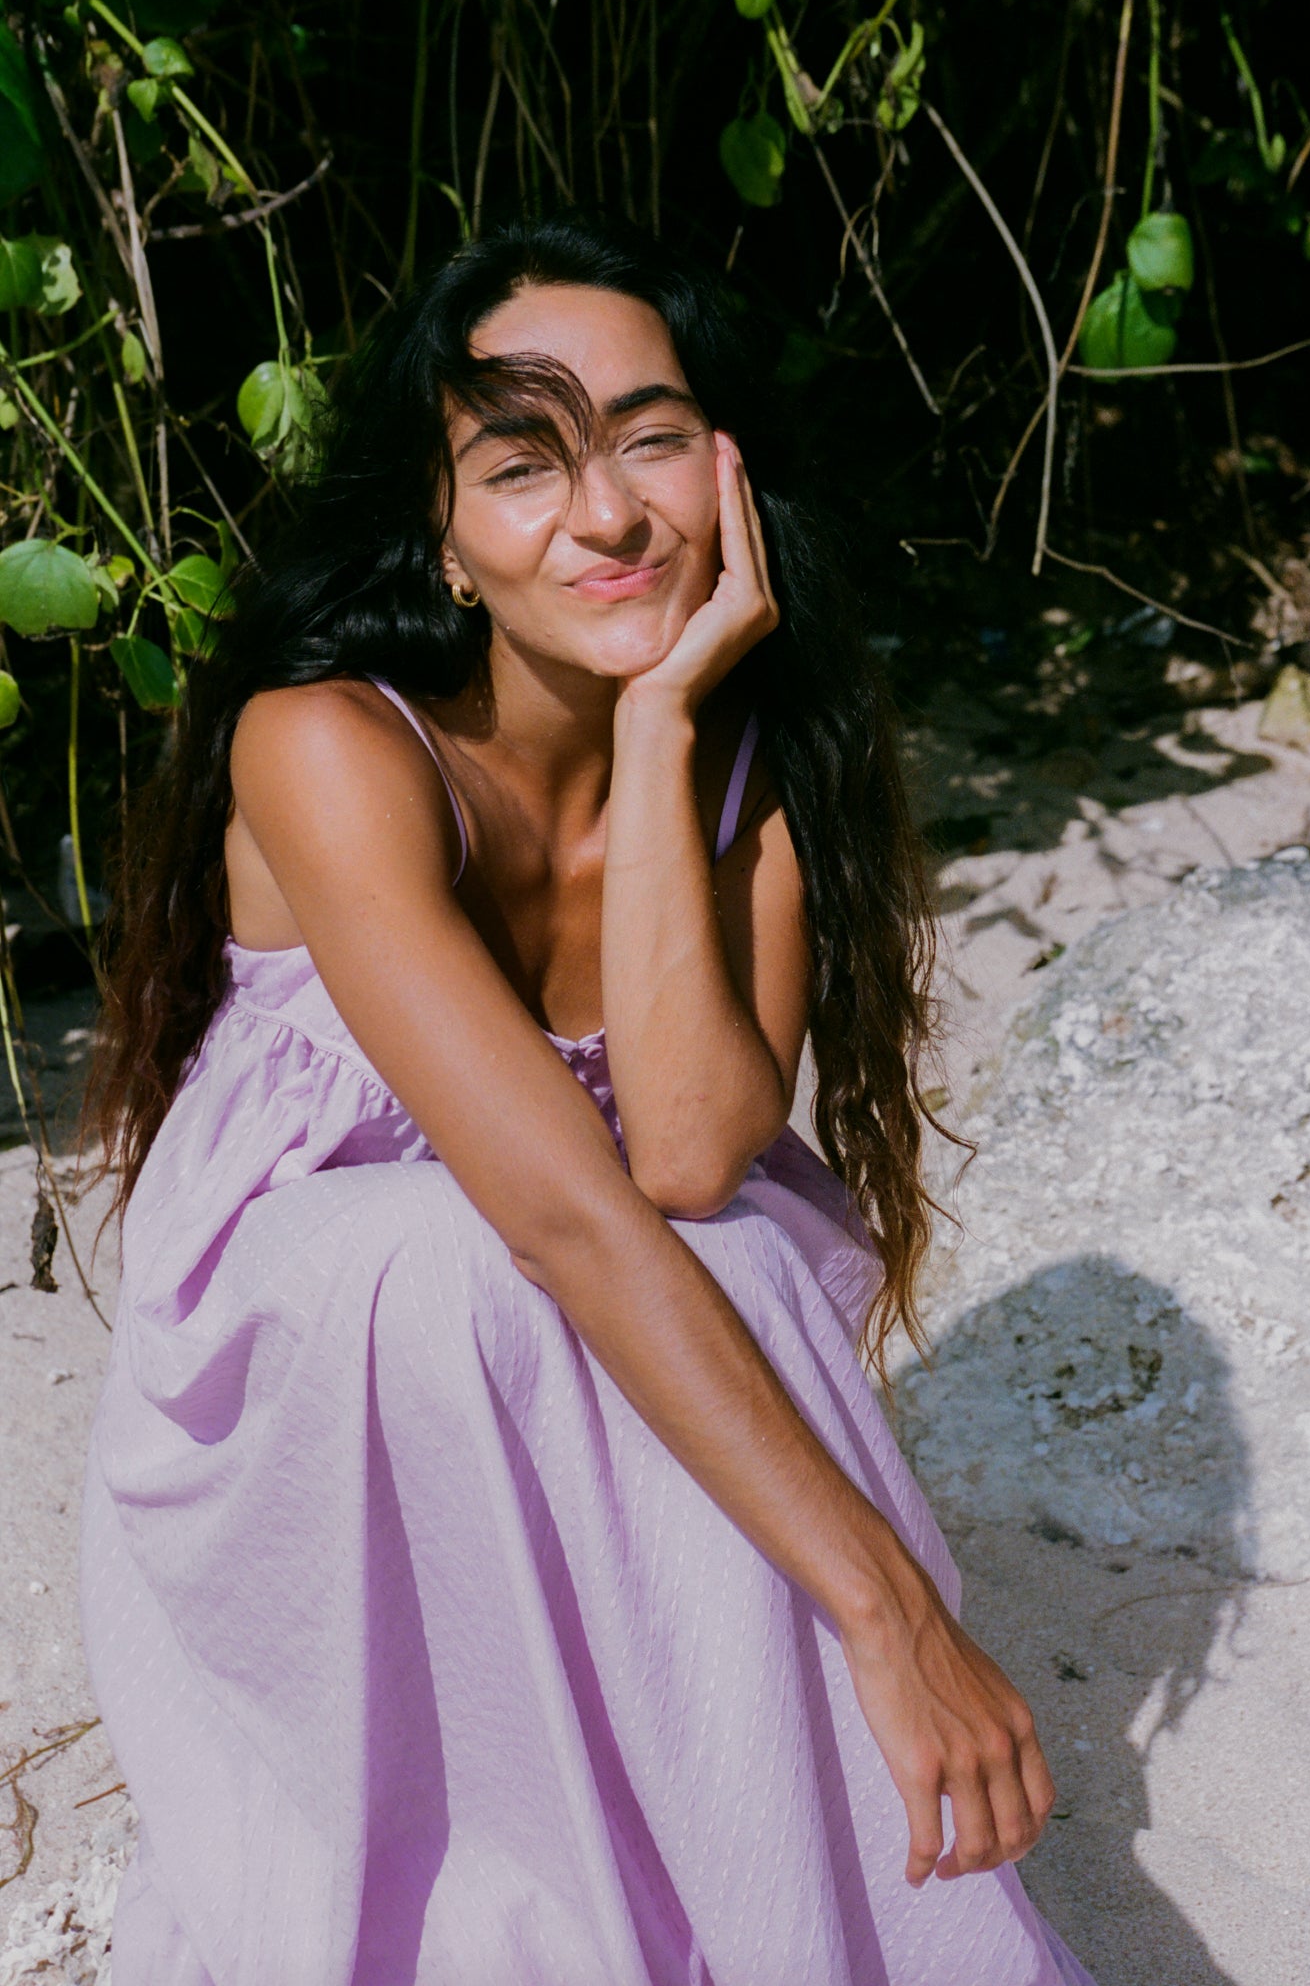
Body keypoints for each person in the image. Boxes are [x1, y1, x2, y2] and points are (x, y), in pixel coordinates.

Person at [80, 212, 1097, 1986]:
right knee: (458, 1248)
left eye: (649, 438)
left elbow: (695, 1152)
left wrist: (655, 733)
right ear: (444, 540)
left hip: (555, 1318)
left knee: (747, 1255)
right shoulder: (326, 742)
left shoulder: (738, 775)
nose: (611, 514)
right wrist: (886, 1604)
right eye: (522, 462)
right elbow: (557, 1210)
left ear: (727, 470)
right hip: (302, 1371)